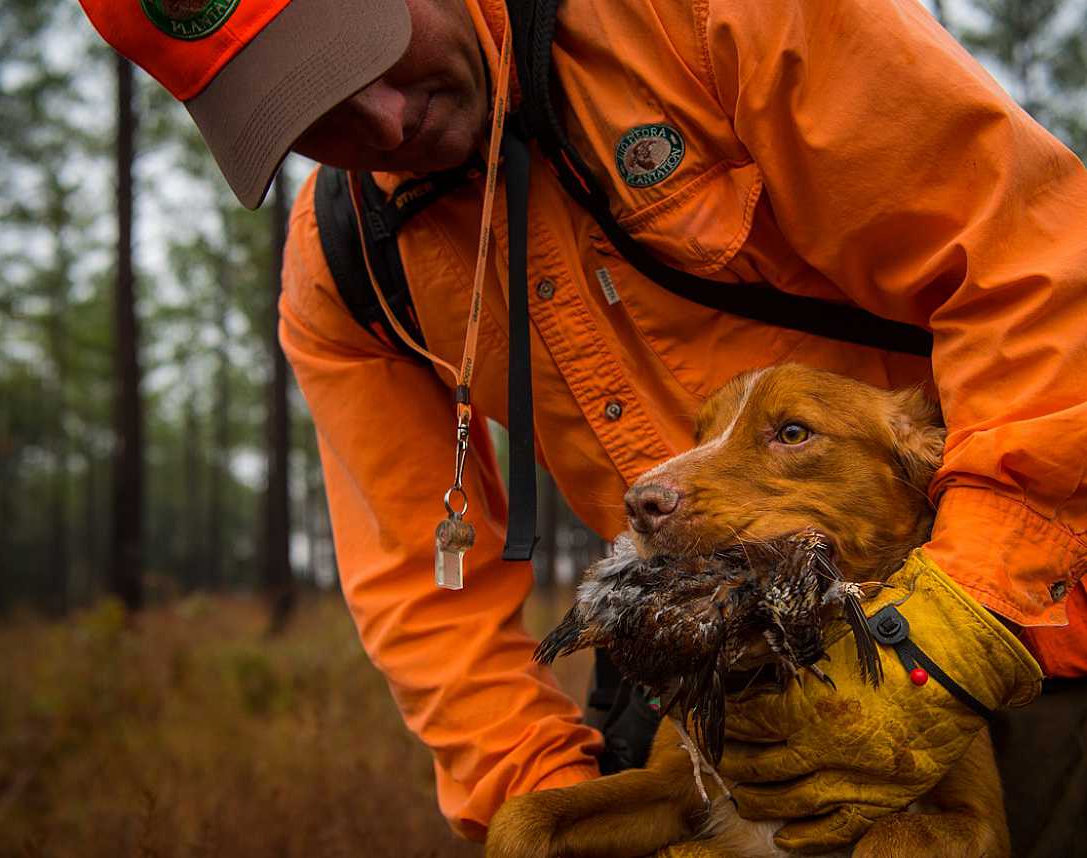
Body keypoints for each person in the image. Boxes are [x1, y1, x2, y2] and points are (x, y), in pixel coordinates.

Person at [79, 0, 1087, 853]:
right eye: (313, 110)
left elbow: (1036, 269)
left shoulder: (698, 19)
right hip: (688, 661)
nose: (385, 122)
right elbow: (419, 590)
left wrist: (951, 631)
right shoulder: (345, 269)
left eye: (365, 51)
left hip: (1017, 597)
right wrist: (541, 781)